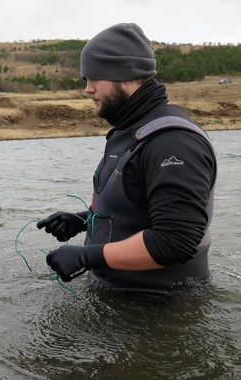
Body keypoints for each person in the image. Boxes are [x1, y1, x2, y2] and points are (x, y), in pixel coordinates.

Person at [36, 23, 217, 292]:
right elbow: (136, 205)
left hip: (160, 313)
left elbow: (175, 239)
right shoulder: (129, 131)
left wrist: (87, 257)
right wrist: (84, 220)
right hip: (119, 302)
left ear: (125, 75)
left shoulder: (173, 141)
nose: (87, 89)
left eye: (94, 77)